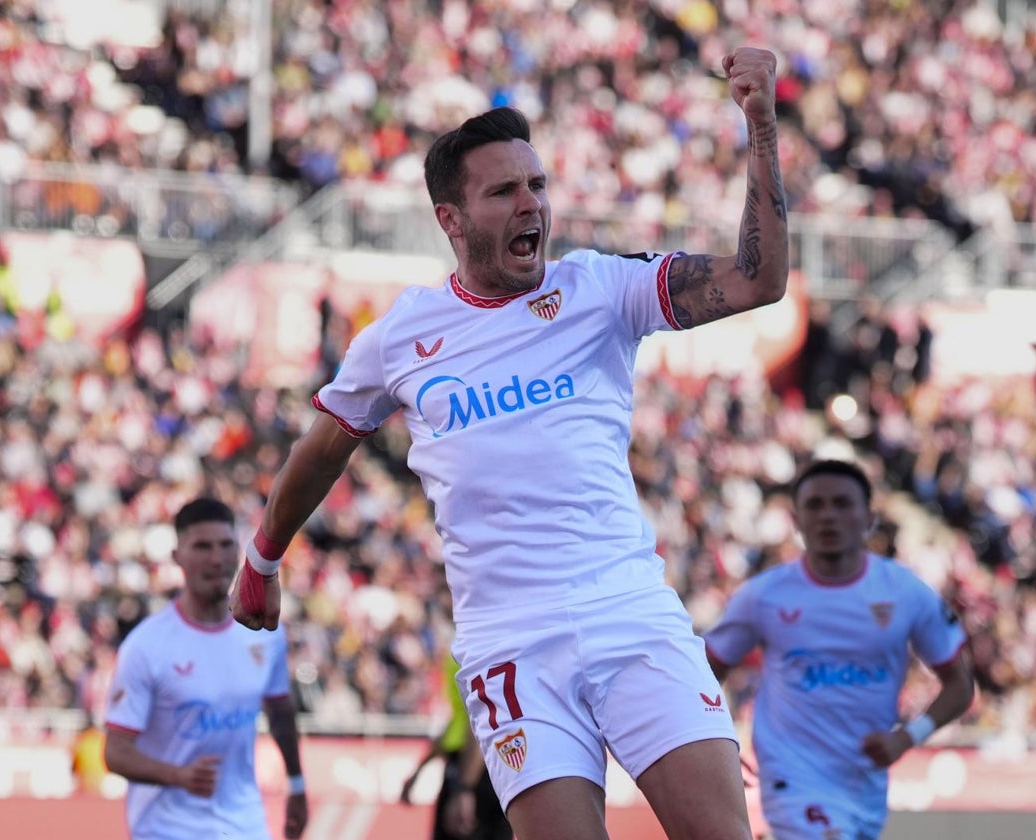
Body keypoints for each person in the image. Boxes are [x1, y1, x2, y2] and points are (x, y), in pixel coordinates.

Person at [232, 46, 788, 840]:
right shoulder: (399, 338)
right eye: (504, 191)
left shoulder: (601, 290)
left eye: (538, 185)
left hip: (628, 612)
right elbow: (324, 448)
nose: (532, 204)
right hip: (510, 642)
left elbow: (756, 280)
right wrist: (262, 560)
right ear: (450, 220)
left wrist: (761, 129)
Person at [703, 460, 975, 840]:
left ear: (868, 517)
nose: (828, 516)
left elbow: (959, 684)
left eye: (842, 504)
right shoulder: (763, 596)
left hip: (864, 783)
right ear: (796, 520)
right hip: (791, 774)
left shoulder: (905, 592)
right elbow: (701, 672)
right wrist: (713, 743)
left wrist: (907, 737)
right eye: (815, 506)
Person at [104, 497, 309, 840]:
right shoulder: (146, 647)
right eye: (202, 546)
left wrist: (298, 785)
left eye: (226, 545)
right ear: (177, 557)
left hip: (245, 826)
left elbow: (280, 711)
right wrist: (178, 775)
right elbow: (115, 752)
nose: (216, 559)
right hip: (167, 829)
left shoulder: (264, 633)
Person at [400, 655, 512, 840]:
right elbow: (459, 722)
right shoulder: (468, 649)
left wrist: (464, 789)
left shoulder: (470, 653)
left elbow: (479, 723)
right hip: (481, 764)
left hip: (473, 769)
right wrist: (419, 771)